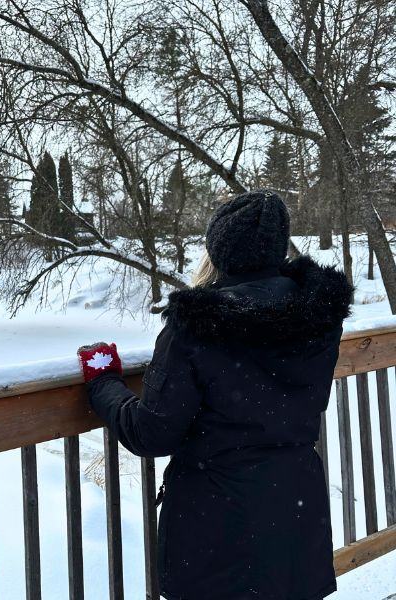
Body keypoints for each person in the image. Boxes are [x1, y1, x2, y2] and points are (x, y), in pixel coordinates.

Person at [77, 190, 353, 600]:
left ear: (218, 251)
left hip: (217, 527)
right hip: (294, 514)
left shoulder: (196, 328)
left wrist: (103, 383)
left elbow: (152, 433)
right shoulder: (317, 316)